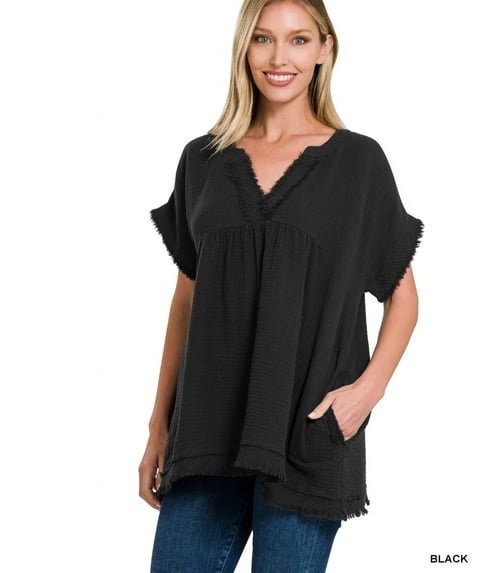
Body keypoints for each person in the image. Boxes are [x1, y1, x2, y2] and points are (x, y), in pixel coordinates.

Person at [139, 0, 424, 571]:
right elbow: (186, 299)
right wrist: (158, 424)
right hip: (206, 430)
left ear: (324, 49)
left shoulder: (358, 162)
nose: (278, 58)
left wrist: (366, 393)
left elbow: (402, 295)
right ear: (244, 47)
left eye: (298, 40)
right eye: (263, 38)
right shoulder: (202, 159)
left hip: (308, 431)